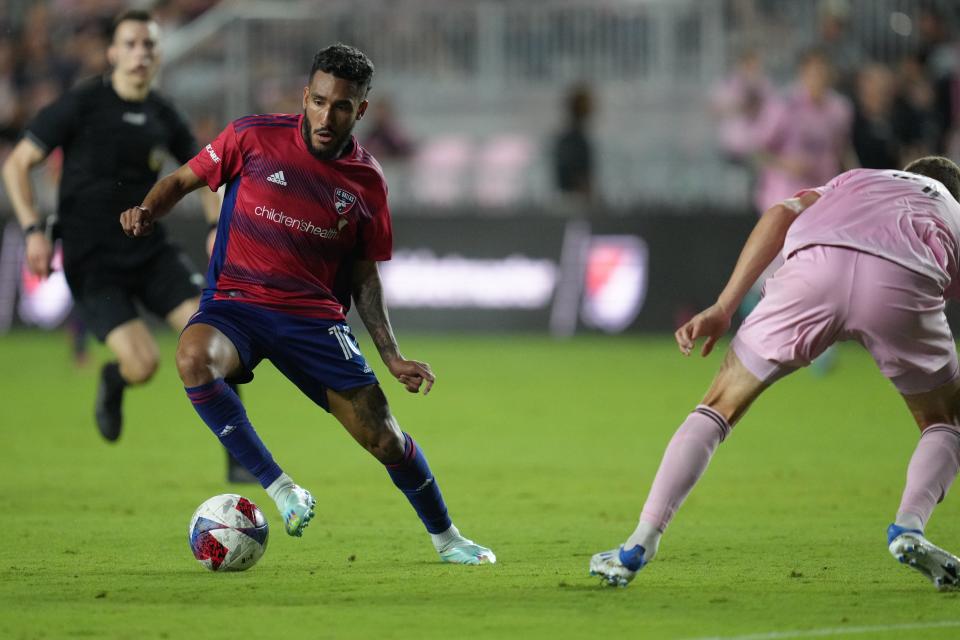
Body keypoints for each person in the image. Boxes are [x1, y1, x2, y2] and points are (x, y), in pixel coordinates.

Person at [118, 43, 496, 564]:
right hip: (237, 305)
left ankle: (448, 538)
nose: (326, 115)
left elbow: (365, 275)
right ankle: (281, 489)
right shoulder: (252, 136)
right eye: (318, 101)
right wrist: (146, 209)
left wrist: (391, 356)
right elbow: (182, 180)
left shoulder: (367, 182)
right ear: (305, 96)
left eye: (342, 106)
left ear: (360, 110)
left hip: (313, 321)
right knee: (192, 359)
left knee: (385, 439)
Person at [590, 156, 960, 590]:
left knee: (717, 407)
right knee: (944, 422)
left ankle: (640, 541)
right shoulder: (952, 208)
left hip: (814, 268)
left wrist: (724, 307)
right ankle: (909, 527)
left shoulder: (857, 178)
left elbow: (781, 212)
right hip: (902, 277)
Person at [0, 9, 254, 482]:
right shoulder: (81, 105)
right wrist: (34, 229)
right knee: (145, 364)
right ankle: (116, 378)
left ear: (159, 56)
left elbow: (208, 175)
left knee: (214, 339)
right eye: (132, 44)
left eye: (150, 45)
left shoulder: (164, 115)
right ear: (113, 52)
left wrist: (217, 225)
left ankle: (240, 457)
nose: (141, 53)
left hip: (150, 251)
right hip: (92, 259)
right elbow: (17, 164)